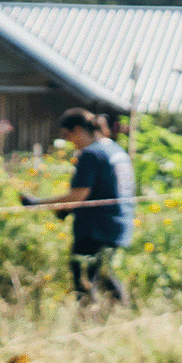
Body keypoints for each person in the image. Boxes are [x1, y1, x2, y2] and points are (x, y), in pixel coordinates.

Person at [27, 108, 135, 305]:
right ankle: (122, 314)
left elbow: (79, 195)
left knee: (85, 279)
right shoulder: (115, 150)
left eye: (68, 136)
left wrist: (37, 203)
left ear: (77, 130)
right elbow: (103, 190)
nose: (70, 142)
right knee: (103, 274)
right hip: (119, 222)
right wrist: (68, 208)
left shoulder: (91, 154)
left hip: (95, 228)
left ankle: (90, 317)